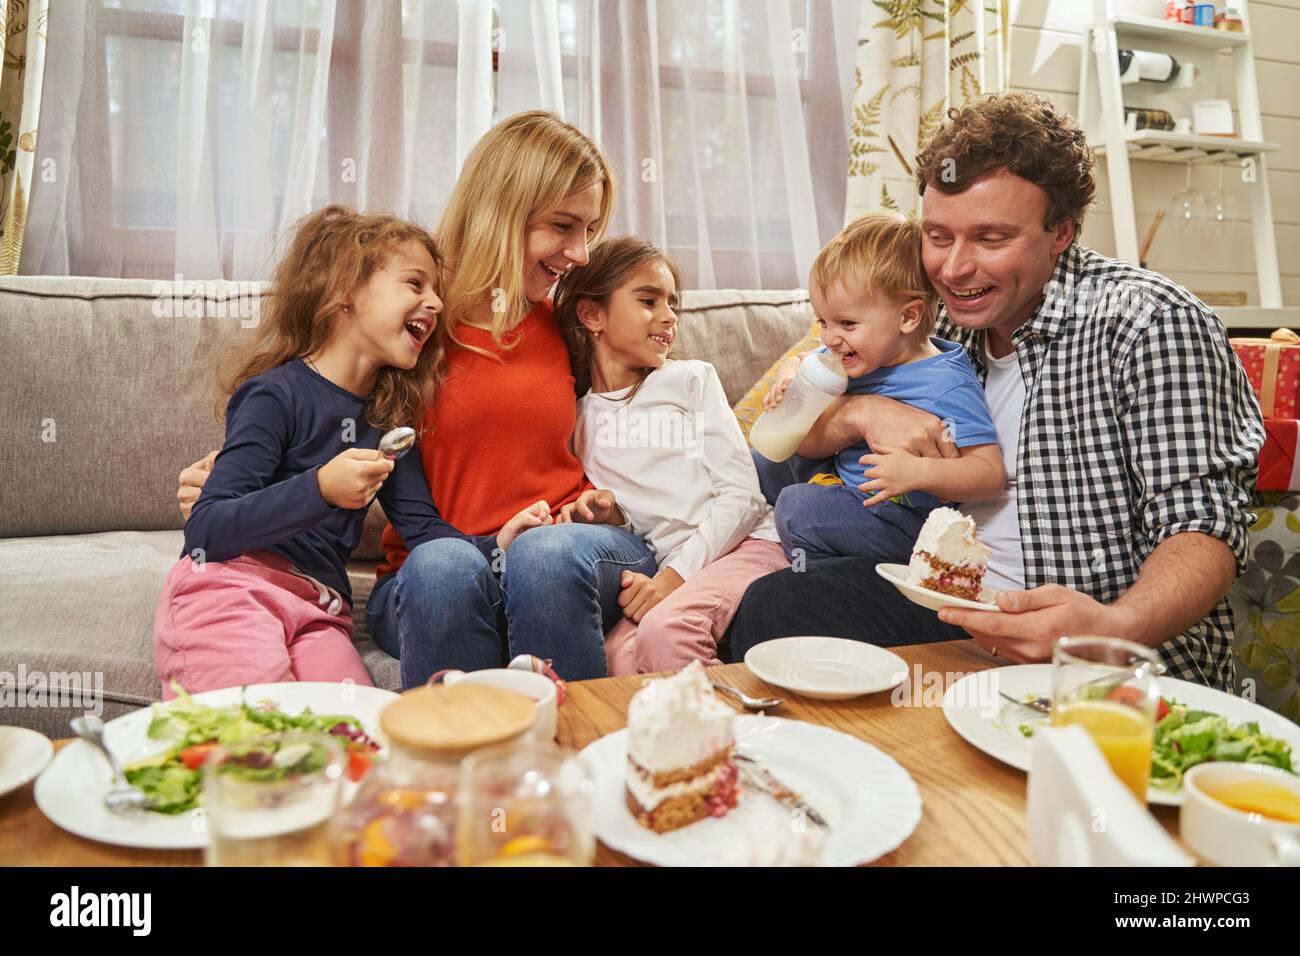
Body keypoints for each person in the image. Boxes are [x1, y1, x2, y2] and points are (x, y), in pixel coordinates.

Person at [728, 92, 1264, 690]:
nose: (955, 269)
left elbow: (1205, 527)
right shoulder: (935, 318)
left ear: (1060, 231)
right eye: (938, 236)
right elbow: (794, 440)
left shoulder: (1149, 323)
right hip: (945, 605)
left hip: (1101, 650)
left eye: (990, 237)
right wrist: (863, 410)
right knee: (776, 604)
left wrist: (1113, 627)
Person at [176, 112, 658, 686]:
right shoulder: (407, 331)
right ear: (501, 213)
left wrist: (622, 509)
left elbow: (667, 404)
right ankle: (452, 759)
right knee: (442, 568)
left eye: (590, 229)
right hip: (437, 571)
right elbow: (317, 409)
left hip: (571, 556)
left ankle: (577, 757)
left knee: (543, 555)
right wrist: (229, 483)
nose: (580, 254)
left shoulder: (576, 325)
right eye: (562, 226)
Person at [154, 206, 552, 697]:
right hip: (235, 588)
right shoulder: (273, 396)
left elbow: (425, 534)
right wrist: (321, 488)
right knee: (247, 739)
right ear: (345, 290)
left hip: (322, 609)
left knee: (354, 727)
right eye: (415, 284)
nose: (436, 304)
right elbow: (208, 530)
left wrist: (498, 545)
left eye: (436, 292)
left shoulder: (388, 424)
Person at [555, 236, 787, 674]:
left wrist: (670, 580)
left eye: (672, 305)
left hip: (748, 545)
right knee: (617, 657)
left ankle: (725, 737)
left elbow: (743, 497)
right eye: (648, 300)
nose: (668, 317)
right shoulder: (578, 418)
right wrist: (611, 518)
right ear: (592, 315)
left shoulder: (690, 379)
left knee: (667, 630)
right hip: (674, 566)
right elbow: (646, 516)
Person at [760, 210, 1003, 565]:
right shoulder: (858, 352)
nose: (830, 338)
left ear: (908, 317)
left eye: (846, 323)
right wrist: (788, 372)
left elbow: (988, 471)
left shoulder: (945, 383)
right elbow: (806, 359)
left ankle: (823, 565)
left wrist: (918, 472)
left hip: (900, 521)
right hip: (841, 483)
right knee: (763, 460)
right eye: (823, 321)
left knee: (797, 509)